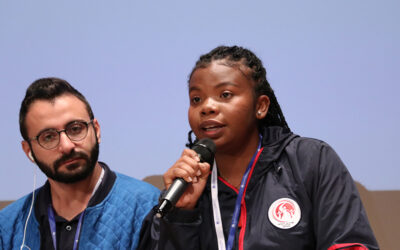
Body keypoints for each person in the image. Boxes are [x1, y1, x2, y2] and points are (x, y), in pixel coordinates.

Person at [139, 46, 379, 250]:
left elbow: (350, 245)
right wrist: (181, 216)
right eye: (196, 99)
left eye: (225, 94)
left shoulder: (310, 160)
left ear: (261, 106)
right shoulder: (187, 186)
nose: (207, 107)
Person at [0, 78, 160, 249]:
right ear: (29, 151)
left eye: (75, 129)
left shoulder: (148, 206)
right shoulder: (7, 227)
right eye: (48, 137)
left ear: (96, 130)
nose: (67, 146)